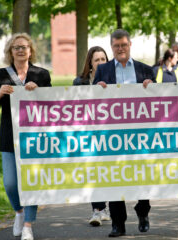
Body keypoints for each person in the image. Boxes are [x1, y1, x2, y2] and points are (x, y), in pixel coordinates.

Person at [0, 33, 51, 240]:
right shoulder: (0, 74)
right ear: (10, 51)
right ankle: (19, 213)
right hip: (9, 136)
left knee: (31, 182)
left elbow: (52, 107)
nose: (21, 50)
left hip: (34, 138)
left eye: (24, 47)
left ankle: (29, 226)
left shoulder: (41, 74)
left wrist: (38, 91)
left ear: (31, 50)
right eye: (16, 47)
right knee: (11, 183)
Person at [93, 29, 155, 237]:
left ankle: (143, 210)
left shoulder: (146, 69)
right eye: (116, 46)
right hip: (112, 135)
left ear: (130, 45)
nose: (120, 49)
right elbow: (92, 100)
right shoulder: (102, 70)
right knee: (115, 177)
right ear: (112, 47)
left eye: (124, 45)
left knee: (142, 175)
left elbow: (157, 100)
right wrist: (98, 88)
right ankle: (118, 224)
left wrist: (151, 87)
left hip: (140, 135)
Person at [73, 46, 111, 226]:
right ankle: (97, 210)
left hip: (110, 134)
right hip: (88, 134)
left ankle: (107, 207)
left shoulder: (113, 79)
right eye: (97, 60)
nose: (100, 63)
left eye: (103, 59)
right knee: (92, 170)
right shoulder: (79, 82)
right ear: (90, 63)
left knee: (107, 171)